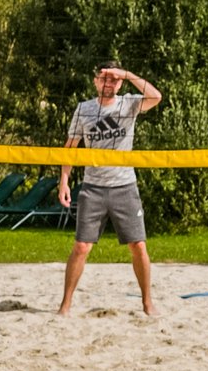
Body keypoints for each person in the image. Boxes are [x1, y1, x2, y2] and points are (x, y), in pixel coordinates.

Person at [53, 60, 164, 316]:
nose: (109, 83)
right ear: (95, 81)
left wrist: (126, 73)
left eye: (114, 79)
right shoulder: (84, 109)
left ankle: (148, 303)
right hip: (93, 187)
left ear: (120, 82)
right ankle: (65, 305)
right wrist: (64, 181)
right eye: (104, 78)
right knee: (81, 246)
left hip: (125, 186)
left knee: (138, 246)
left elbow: (156, 96)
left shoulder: (129, 103)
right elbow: (70, 148)